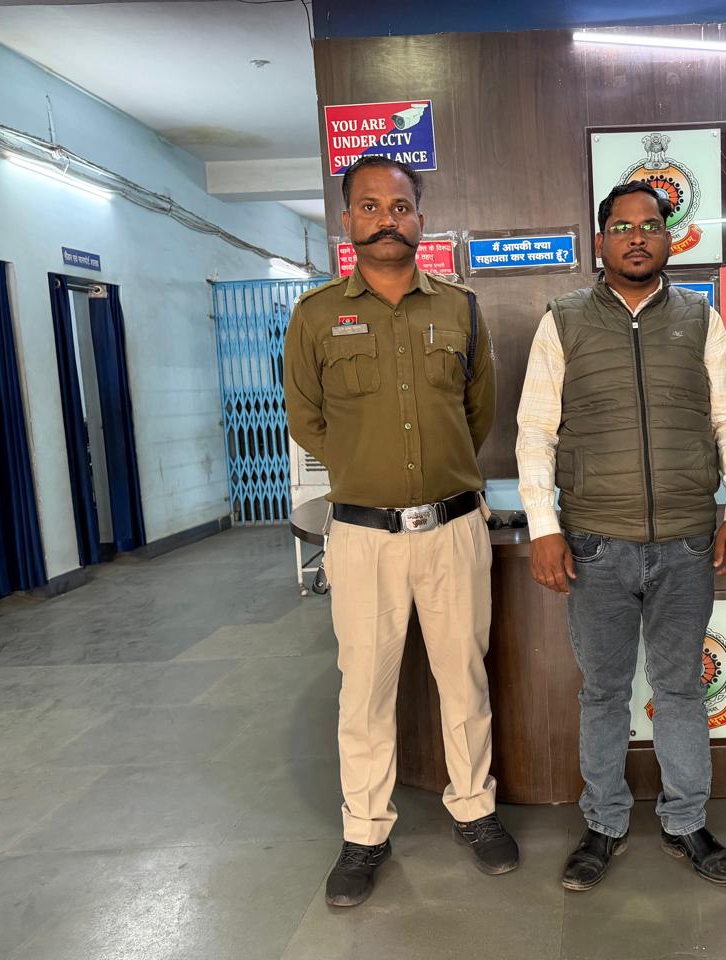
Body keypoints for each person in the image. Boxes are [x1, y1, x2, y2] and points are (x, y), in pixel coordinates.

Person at [284, 155, 517, 908]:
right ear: (347, 220)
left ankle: (474, 809)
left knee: (464, 678)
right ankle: (365, 832)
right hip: (362, 537)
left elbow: (478, 412)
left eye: (401, 206)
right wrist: (369, 467)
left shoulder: (461, 309)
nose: (387, 218)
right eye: (370, 206)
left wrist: (434, 473)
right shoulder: (316, 316)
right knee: (364, 689)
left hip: (453, 528)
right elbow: (306, 417)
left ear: (420, 218)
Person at [515, 181, 726, 891]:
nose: (636, 237)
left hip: (686, 542)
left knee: (680, 688)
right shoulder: (562, 321)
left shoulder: (700, 319)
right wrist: (544, 527)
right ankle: (603, 824)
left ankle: (687, 822)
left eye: (649, 225)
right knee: (603, 692)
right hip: (595, 544)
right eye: (621, 227)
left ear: (669, 236)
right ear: (601, 241)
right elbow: (535, 431)